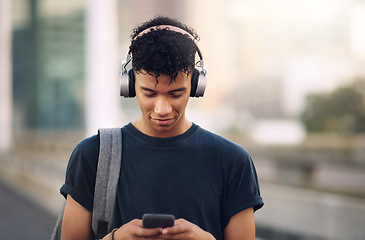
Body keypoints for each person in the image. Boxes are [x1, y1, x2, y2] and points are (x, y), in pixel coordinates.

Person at [60, 16, 263, 240]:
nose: (162, 108)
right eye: (149, 93)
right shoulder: (92, 156)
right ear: (129, 84)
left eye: (176, 94)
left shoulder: (233, 161)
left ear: (196, 86)